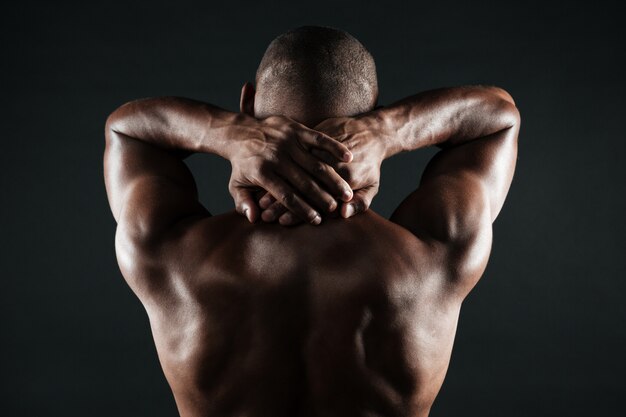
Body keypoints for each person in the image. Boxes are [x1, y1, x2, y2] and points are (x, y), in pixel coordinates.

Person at [103, 26, 520, 417]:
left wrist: (230, 133)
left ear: (247, 102)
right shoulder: (431, 255)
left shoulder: (172, 252)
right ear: (371, 108)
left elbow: (127, 129)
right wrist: (387, 130)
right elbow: (498, 118)